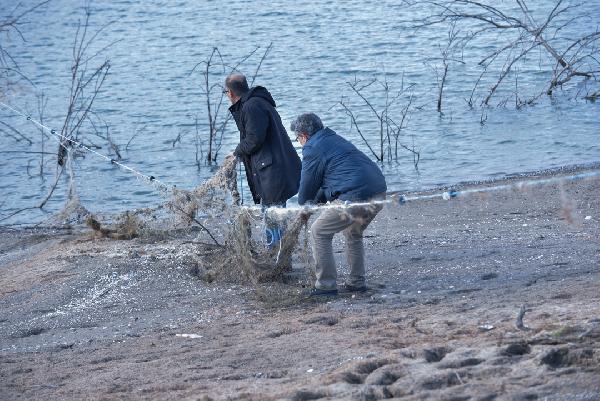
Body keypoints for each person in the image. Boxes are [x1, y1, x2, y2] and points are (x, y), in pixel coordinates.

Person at [291, 113, 387, 296]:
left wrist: (306, 206)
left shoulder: (312, 148)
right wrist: (313, 202)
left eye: (298, 139)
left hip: (355, 197)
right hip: (379, 192)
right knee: (353, 232)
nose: (299, 142)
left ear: (303, 136)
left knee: (319, 231)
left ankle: (325, 286)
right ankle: (356, 283)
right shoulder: (332, 138)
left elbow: (306, 190)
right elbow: (328, 182)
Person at [224, 73, 301, 247]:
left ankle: (277, 257)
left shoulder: (251, 106)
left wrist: (236, 152)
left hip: (271, 170)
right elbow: (253, 136)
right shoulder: (256, 102)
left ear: (230, 93)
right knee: (274, 213)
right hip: (273, 167)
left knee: (272, 214)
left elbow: (254, 139)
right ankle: (278, 255)